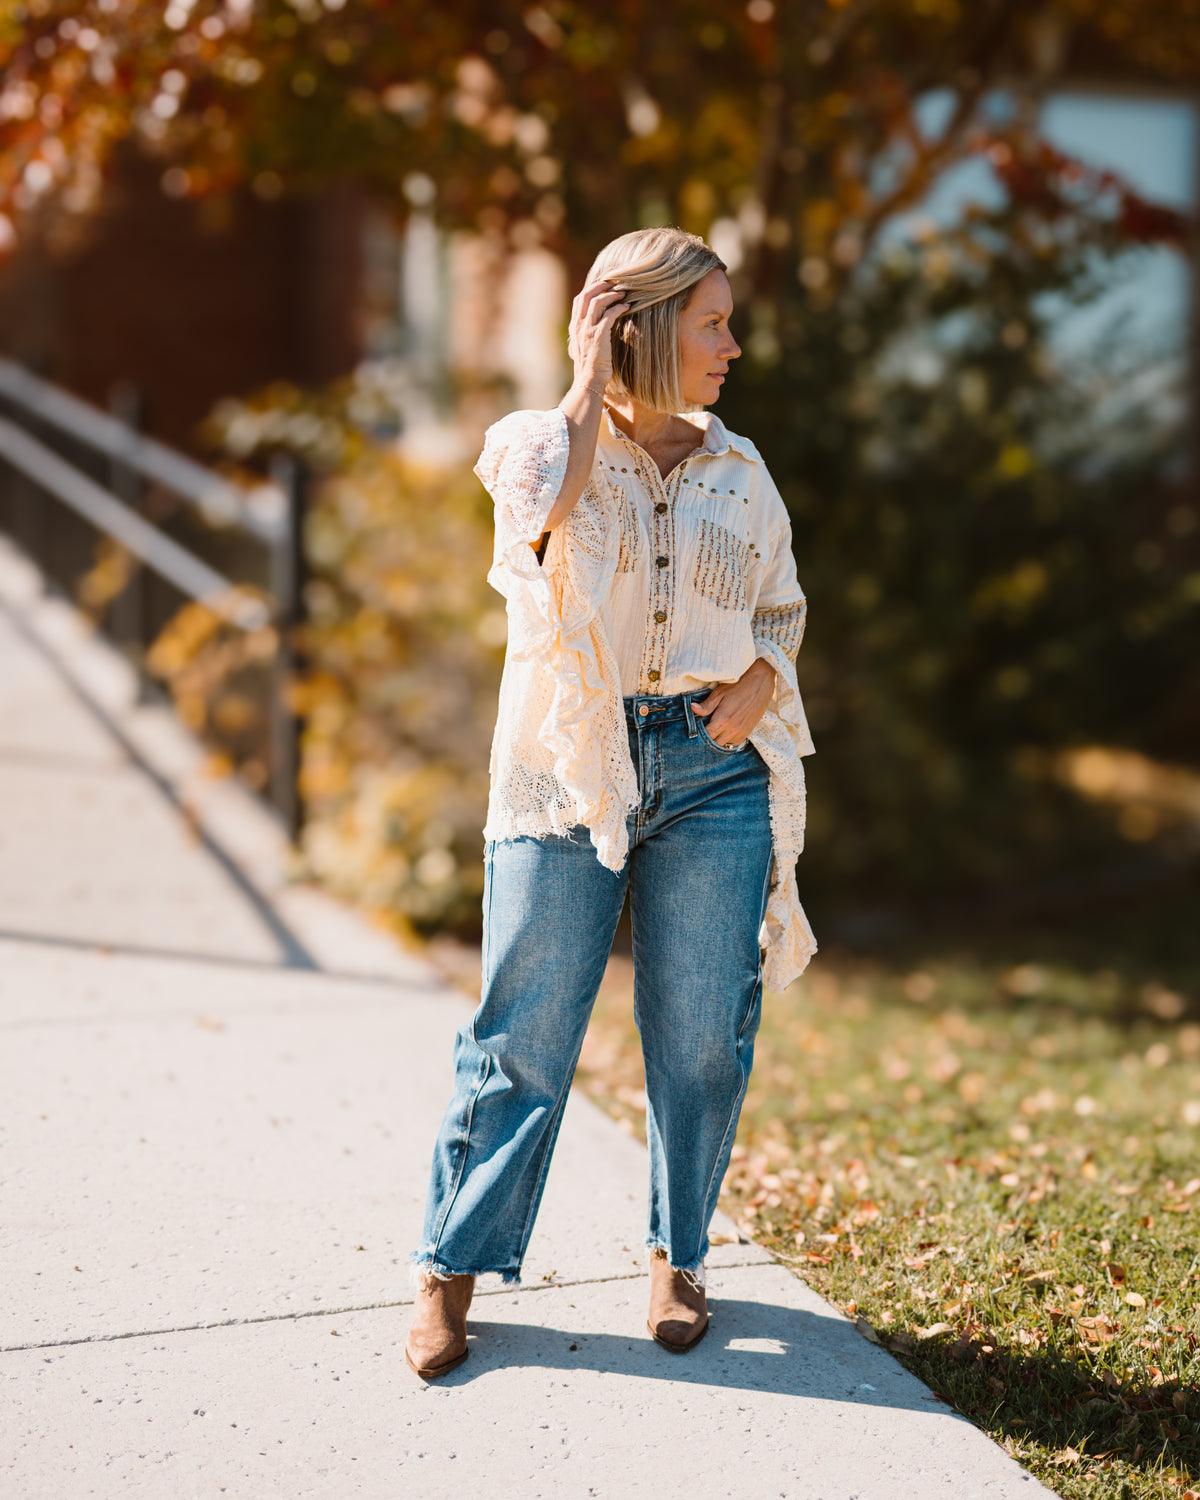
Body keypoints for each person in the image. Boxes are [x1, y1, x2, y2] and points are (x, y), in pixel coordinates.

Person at [406, 226, 816, 1380]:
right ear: (641, 327)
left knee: (698, 1040)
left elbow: (781, 609)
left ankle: (677, 1256)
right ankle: (449, 1268)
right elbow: (540, 516)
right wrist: (588, 378)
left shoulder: (743, 468)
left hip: (713, 774)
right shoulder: (540, 440)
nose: (733, 344)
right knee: (522, 1033)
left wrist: (758, 678)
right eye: (711, 322)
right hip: (570, 762)